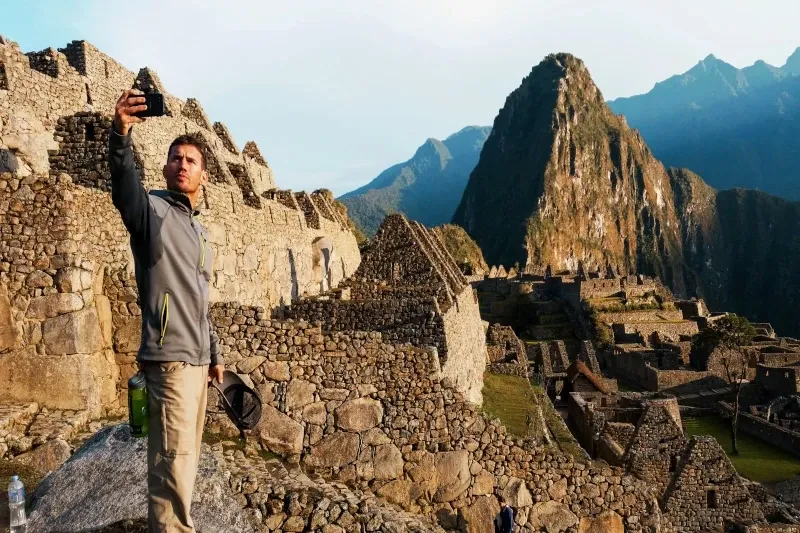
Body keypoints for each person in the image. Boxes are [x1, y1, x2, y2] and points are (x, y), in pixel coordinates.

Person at [109, 88, 224, 533]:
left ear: (204, 175)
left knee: (185, 468)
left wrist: (214, 353)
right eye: (175, 158)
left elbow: (199, 300)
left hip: (196, 363)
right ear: (165, 167)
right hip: (170, 363)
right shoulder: (151, 213)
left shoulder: (197, 231)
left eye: (191, 160)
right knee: (170, 472)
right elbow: (125, 190)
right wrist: (120, 134)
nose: (182, 164)